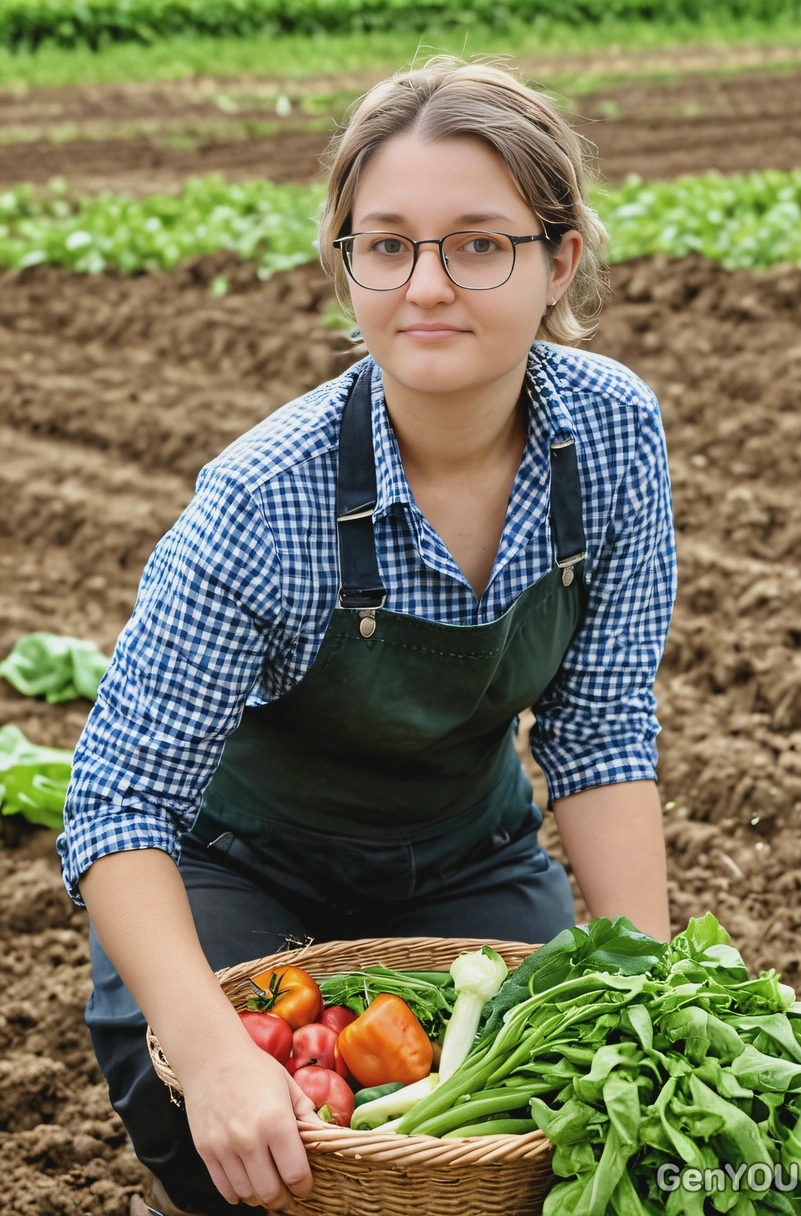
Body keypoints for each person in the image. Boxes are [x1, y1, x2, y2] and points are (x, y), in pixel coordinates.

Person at [57, 56, 676, 1216]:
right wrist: (218, 1052)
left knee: (548, 1129)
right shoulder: (264, 500)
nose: (427, 285)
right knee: (239, 1138)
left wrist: (656, 1000)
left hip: (468, 857)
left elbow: (598, 729)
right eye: (386, 244)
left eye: (479, 241)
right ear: (346, 264)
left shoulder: (610, 439)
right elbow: (118, 804)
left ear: (560, 260)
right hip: (237, 866)